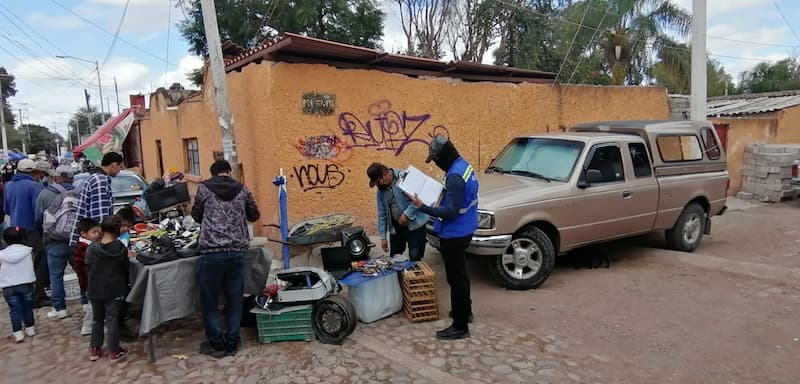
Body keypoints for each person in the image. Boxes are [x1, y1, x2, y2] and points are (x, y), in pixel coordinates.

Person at [408, 135, 478, 340]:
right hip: (465, 227)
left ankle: (460, 326)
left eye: (436, 159)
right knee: (461, 276)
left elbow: (451, 211)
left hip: (455, 233)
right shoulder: (464, 166)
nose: (436, 164)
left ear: (444, 157)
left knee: (456, 279)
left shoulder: (455, 177)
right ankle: (464, 312)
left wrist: (424, 207)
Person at [191, 160, 260, 358]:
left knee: (210, 300)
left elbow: (196, 215)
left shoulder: (204, 189)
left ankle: (216, 344)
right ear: (229, 172)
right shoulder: (242, 189)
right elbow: (254, 215)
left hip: (211, 253)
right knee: (235, 299)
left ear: (212, 174)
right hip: (236, 252)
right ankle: (232, 342)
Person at [4, 158, 50, 308]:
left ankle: (25, 295)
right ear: (32, 172)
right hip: (31, 229)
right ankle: (38, 296)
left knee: (22, 263)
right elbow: (39, 212)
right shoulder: (34, 186)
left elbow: (6, 209)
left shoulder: (9, 185)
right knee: (39, 262)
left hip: (15, 229)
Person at [35, 165, 76, 320]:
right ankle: (86, 303)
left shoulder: (45, 194)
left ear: (56, 177)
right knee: (82, 273)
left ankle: (60, 308)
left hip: (54, 241)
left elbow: (38, 219)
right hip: (74, 239)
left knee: (56, 276)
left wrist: (42, 236)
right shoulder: (78, 192)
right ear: (72, 177)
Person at [86, 215, 129, 362]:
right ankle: (114, 352)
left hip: (94, 289)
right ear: (118, 231)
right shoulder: (120, 249)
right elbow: (125, 268)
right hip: (114, 289)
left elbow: (88, 266)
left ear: (101, 229)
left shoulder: (92, 248)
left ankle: (95, 349)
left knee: (97, 319)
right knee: (112, 320)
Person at [366, 162, 429, 261]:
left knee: (415, 259)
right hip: (397, 228)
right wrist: (383, 237)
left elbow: (419, 199)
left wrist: (407, 215)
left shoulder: (405, 177)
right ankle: (399, 277)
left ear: (385, 174)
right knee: (394, 260)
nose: (379, 185)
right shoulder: (381, 191)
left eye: (379, 181)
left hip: (416, 226)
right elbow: (382, 214)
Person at [70, 152, 123, 247]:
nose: (120, 170)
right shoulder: (100, 181)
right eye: (120, 167)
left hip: (87, 240)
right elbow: (100, 216)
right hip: (91, 242)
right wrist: (107, 242)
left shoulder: (96, 178)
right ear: (113, 165)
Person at [0, 226, 37, 343]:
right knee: (27, 306)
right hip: (26, 282)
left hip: (8, 285)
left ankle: (17, 332)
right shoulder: (28, 251)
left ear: (5, 240)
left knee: (14, 309)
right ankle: (30, 328)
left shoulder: (2, 254)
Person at [74, 218, 101, 336]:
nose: (97, 235)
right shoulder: (85, 247)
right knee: (93, 306)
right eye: (94, 232)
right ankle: (87, 326)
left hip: (89, 281)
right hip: (90, 282)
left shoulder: (85, 245)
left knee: (94, 305)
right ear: (84, 234)